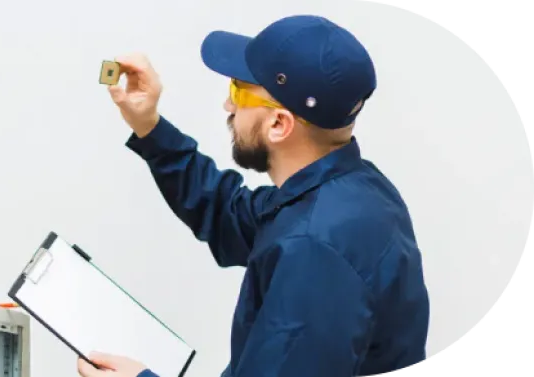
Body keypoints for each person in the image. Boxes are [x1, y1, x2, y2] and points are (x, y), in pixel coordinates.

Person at [76, 15, 430, 377]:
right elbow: (228, 212)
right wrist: (149, 125)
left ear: (279, 124)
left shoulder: (313, 250)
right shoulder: (354, 190)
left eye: (237, 91)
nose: (228, 107)